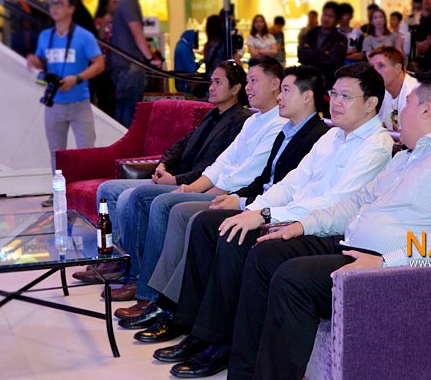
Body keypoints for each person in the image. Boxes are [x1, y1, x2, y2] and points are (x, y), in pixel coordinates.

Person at [227, 69, 431, 380]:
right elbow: (357, 204)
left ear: (426, 110)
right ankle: (243, 374)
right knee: (266, 254)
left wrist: (386, 261)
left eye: (407, 104)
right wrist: (302, 225)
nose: (399, 114)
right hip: (354, 247)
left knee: (293, 279)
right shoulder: (408, 156)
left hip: (394, 271)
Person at [163, 62, 394, 378]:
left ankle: (225, 347)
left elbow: (335, 204)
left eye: (346, 96)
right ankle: (199, 330)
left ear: (371, 104)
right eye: (335, 94)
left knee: (243, 241)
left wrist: (267, 216)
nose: (336, 102)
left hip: (322, 227)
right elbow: (291, 182)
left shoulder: (376, 145)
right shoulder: (333, 136)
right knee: (211, 223)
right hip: (293, 216)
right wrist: (254, 210)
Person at [114, 65, 331, 335]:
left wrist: (239, 202)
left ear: (306, 96)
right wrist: (211, 192)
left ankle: (173, 309)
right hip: (256, 201)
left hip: (278, 213)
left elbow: (298, 192)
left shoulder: (316, 135)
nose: (279, 97)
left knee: (192, 216)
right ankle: (170, 307)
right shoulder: (284, 129)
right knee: (186, 214)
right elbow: (258, 176)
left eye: (286, 90)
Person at [99, 58, 287, 300]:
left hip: (234, 196)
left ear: (274, 84)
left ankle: (146, 292)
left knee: (155, 201)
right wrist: (190, 187)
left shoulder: (274, 123)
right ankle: (130, 274)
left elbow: (246, 174)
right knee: (130, 194)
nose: (248, 87)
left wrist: (196, 191)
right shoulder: (251, 120)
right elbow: (220, 163)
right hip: (209, 186)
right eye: (248, 80)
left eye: (253, 81)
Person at [26, 0, 104, 207]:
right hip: (54, 103)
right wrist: (35, 61)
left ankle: (87, 192)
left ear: (71, 8)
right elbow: (43, 61)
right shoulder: (46, 36)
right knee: (56, 152)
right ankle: (58, 192)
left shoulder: (84, 36)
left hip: (80, 102)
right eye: (51, 3)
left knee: (86, 150)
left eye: (59, 3)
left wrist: (76, 78)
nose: (54, 7)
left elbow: (99, 64)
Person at [111, 0, 161, 127]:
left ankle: (121, 140)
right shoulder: (128, 2)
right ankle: (126, 140)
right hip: (130, 65)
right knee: (129, 111)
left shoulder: (127, 2)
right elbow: (137, 32)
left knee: (124, 109)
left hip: (124, 65)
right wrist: (150, 59)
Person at [298, 1, 347, 95]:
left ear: (337, 20)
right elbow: (301, 55)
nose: (326, 18)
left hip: (328, 82)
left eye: (330, 16)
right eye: (325, 15)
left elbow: (332, 61)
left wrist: (311, 53)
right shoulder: (310, 33)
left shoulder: (340, 39)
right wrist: (323, 52)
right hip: (307, 80)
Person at [367, 46, 419, 131]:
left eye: (381, 66)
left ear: (398, 68)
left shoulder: (413, 93)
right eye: (372, 67)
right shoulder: (382, 90)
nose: (374, 72)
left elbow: (408, 135)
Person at [92, 0, 118, 116]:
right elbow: (97, 43)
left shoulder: (118, 21)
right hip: (103, 67)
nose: (117, 5)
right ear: (106, 5)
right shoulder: (98, 22)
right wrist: (104, 24)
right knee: (105, 101)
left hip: (116, 66)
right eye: (114, 2)